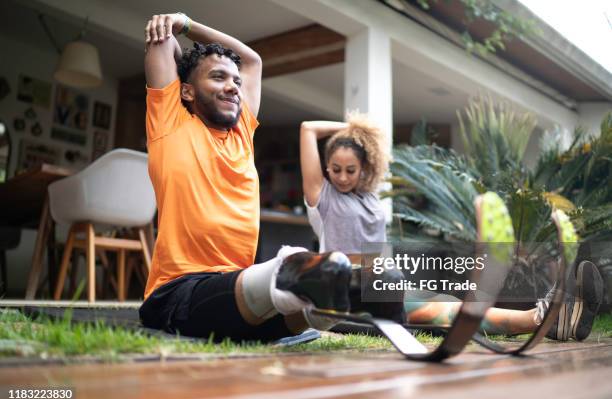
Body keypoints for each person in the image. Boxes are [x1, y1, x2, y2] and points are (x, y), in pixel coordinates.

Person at [139, 12, 352, 342]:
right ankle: (294, 275)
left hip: (239, 293)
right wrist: (178, 27)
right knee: (295, 284)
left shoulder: (241, 133)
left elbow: (252, 61)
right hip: (178, 293)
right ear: (187, 93)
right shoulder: (170, 122)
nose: (233, 87)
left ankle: (312, 294)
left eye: (236, 82)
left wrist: (189, 25)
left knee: (324, 302)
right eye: (218, 77)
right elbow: (163, 39)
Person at [299, 116, 603, 340]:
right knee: (433, 312)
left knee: (447, 303)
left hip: (380, 284)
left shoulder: (369, 198)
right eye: (335, 169)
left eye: (350, 170)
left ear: (364, 168)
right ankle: (541, 319)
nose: (341, 177)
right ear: (326, 168)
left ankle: (550, 320)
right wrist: (352, 130)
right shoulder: (322, 197)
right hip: (345, 291)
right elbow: (307, 129)